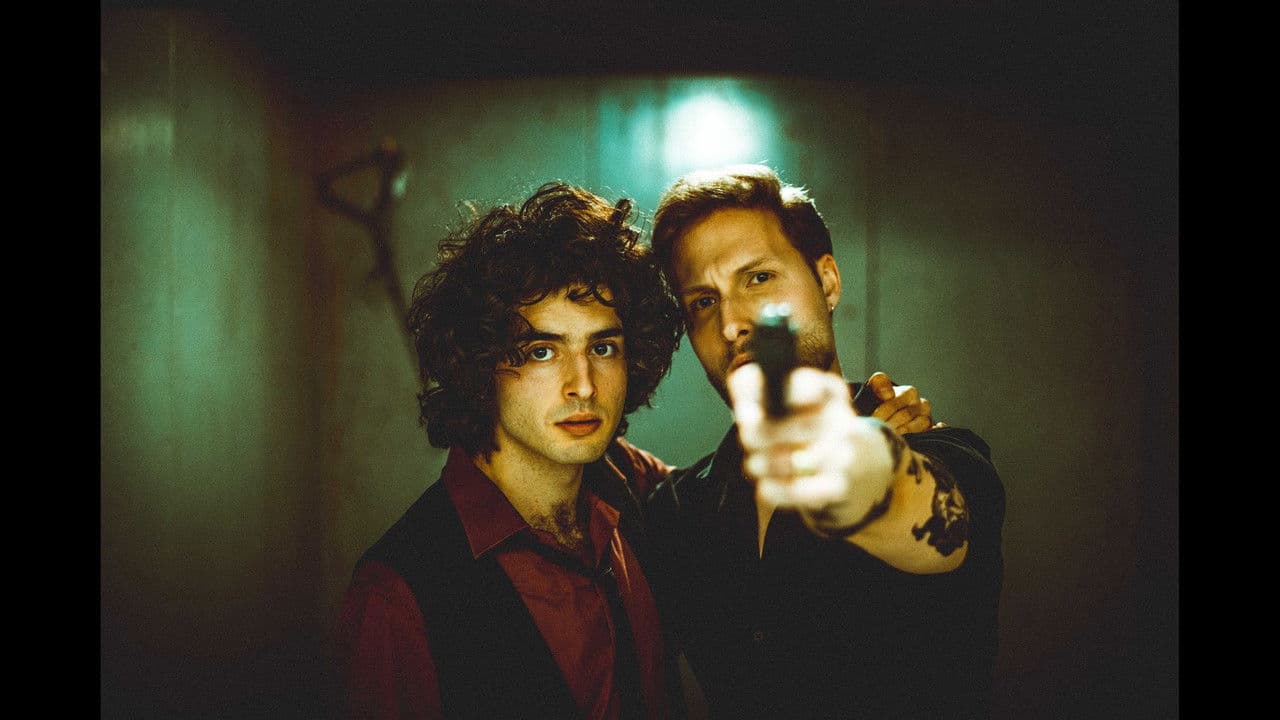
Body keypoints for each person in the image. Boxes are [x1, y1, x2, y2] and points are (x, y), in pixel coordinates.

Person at [643, 164, 1006, 719]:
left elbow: (936, 524)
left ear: (828, 282)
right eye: (703, 301)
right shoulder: (675, 513)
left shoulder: (938, 452)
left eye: (758, 278)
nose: (732, 323)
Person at [338, 181, 687, 720]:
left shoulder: (633, 488)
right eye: (542, 351)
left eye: (602, 347)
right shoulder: (399, 593)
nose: (583, 385)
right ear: (482, 365)